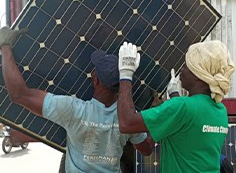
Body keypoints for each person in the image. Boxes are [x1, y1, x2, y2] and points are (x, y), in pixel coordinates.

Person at [0, 26, 153, 173]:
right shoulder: (129, 119)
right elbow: (146, 149)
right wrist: (155, 114)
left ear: (95, 80)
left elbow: (19, 94)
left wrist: (5, 47)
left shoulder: (73, 110)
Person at [117, 41, 235, 172]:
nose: (181, 71)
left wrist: (125, 74)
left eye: (186, 66)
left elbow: (126, 123)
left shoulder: (181, 107)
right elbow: (189, 123)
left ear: (197, 75)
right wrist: (173, 93)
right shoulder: (220, 110)